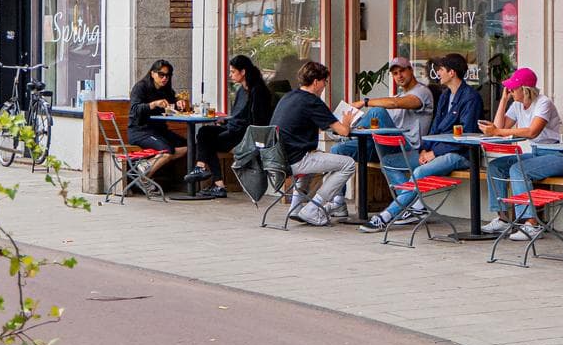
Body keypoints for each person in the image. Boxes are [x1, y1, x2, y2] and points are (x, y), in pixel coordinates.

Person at [360, 52, 484, 232]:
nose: (437, 73)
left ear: (452, 73)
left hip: (460, 154)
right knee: (388, 162)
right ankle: (413, 207)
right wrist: (425, 150)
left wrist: (435, 153)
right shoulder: (445, 95)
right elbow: (435, 127)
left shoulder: (470, 98)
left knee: (419, 172)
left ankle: (386, 216)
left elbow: (466, 137)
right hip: (436, 151)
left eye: (441, 69)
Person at [480, 67, 563, 241]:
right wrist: (503, 100)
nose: (511, 91)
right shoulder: (517, 105)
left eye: (513, 88)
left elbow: (532, 132)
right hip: (536, 153)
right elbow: (499, 128)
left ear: (525, 90)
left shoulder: (543, 103)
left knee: (518, 170)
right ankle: (503, 219)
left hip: (558, 155)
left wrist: (497, 131)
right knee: (495, 167)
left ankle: (531, 223)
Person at [268, 60, 359, 226]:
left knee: (312, 162)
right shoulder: (312, 101)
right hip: (295, 160)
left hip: (277, 159)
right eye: (325, 81)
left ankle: (295, 208)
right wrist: (347, 120)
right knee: (348, 164)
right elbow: (343, 131)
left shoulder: (289, 96)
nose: (325, 86)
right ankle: (313, 208)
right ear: (316, 82)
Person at [332, 56, 434, 189]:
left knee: (377, 112)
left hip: (408, 147)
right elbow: (386, 117)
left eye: (402, 71)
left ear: (411, 70)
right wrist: (363, 126)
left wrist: (364, 102)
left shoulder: (422, 91)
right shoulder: (397, 96)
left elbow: (394, 103)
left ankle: (344, 132)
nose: (399, 76)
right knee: (337, 150)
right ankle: (338, 199)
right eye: (395, 73)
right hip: (386, 146)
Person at [183, 55, 274, 196]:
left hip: (244, 135)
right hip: (234, 129)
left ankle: (216, 182)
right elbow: (239, 116)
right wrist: (224, 121)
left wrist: (231, 124)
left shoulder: (258, 91)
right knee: (204, 132)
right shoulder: (241, 90)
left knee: (207, 142)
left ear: (243, 72)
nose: (230, 75)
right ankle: (203, 169)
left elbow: (257, 120)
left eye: (233, 71)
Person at [128, 59, 188, 179]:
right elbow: (134, 110)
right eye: (161, 74)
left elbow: (173, 104)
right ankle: (143, 179)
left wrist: (179, 103)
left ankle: (145, 165)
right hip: (140, 131)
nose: (164, 78)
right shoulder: (141, 87)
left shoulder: (167, 90)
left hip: (160, 131)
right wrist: (154, 104)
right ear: (152, 73)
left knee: (190, 145)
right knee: (167, 150)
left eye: (167, 75)